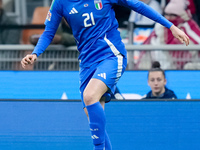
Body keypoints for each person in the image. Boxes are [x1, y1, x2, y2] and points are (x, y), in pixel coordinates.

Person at [21, 0, 189, 149]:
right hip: (87, 63)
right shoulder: (60, 3)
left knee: (90, 96)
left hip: (111, 56)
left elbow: (137, 5)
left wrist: (170, 26)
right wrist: (35, 53)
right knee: (92, 114)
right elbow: (49, 32)